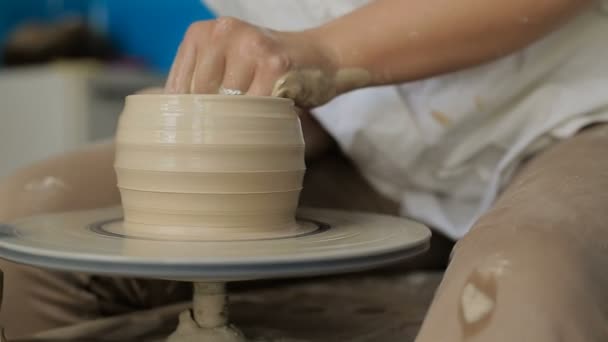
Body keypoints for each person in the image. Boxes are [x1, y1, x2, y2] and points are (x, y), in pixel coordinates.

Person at [1, 0, 608, 340]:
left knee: (520, 283)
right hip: (362, 136)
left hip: (564, 113)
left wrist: (330, 52)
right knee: (19, 232)